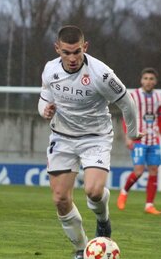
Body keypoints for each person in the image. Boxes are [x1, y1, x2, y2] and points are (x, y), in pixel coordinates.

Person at [38, 25, 141, 259]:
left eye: (77, 52)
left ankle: (103, 220)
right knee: (60, 199)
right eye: (66, 52)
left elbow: (127, 101)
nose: (72, 58)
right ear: (57, 49)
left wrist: (133, 132)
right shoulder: (50, 70)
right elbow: (43, 99)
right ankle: (81, 250)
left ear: (85, 47)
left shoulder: (101, 74)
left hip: (95, 137)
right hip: (62, 137)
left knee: (94, 191)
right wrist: (45, 110)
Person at [117, 67, 161, 215]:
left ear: (155, 81)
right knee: (139, 171)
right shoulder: (134, 96)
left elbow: (160, 120)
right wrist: (128, 137)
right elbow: (127, 117)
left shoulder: (159, 98)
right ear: (141, 80)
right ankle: (124, 192)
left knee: (154, 170)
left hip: (154, 140)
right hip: (139, 138)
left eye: (151, 79)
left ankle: (149, 205)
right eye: (146, 78)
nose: (148, 81)